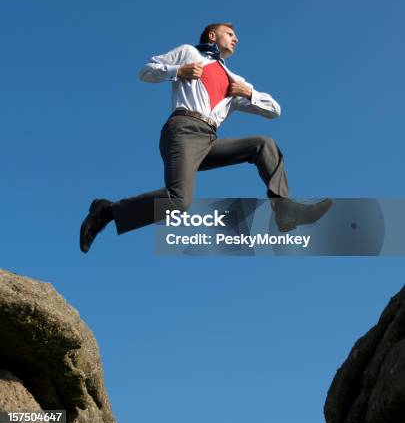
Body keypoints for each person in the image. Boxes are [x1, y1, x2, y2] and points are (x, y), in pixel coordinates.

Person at [80, 22, 331, 253]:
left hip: (210, 139)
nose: (236, 39)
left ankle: (285, 211)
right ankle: (108, 211)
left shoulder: (235, 80)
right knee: (179, 201)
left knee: (263, 144)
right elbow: (146, 71)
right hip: (184, 129)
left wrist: (250, 93)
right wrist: (179, 70)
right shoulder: (190, 53)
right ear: (213, 35)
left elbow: (275, 110)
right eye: (230, 34)